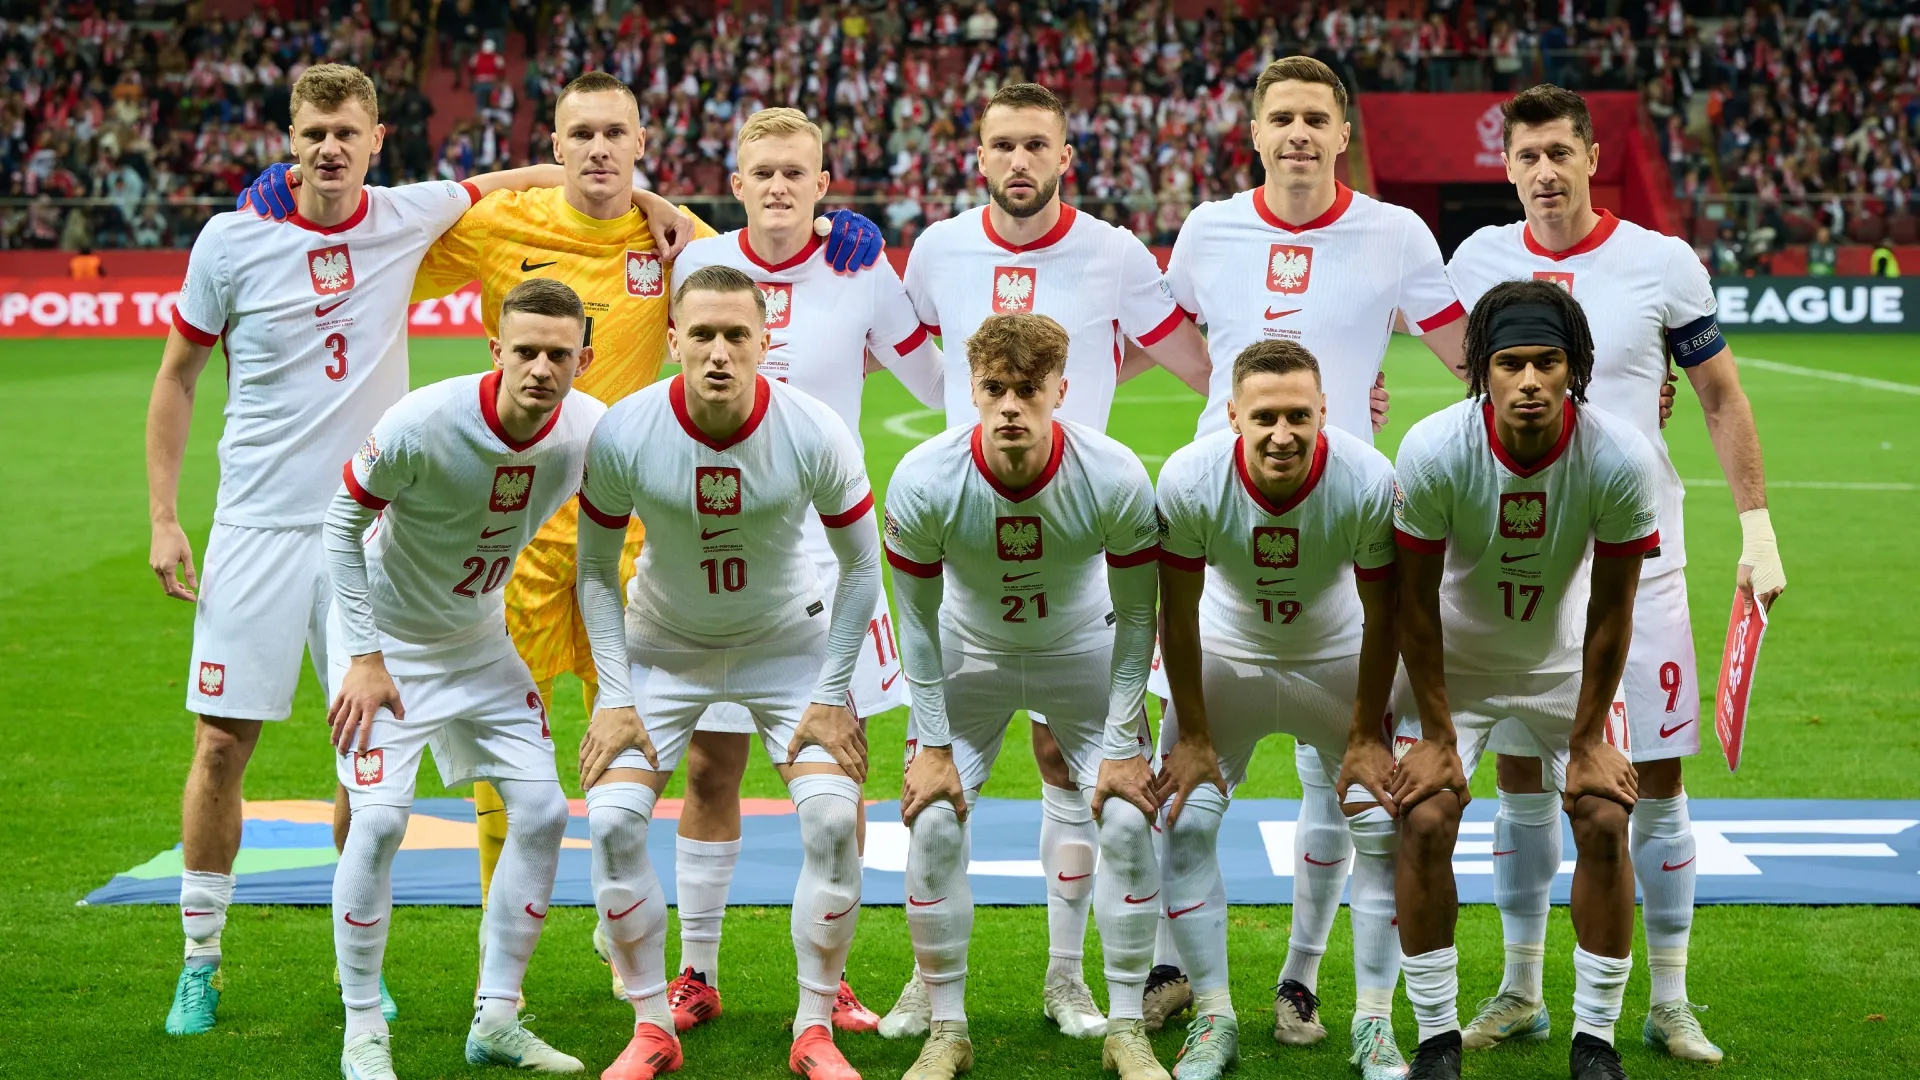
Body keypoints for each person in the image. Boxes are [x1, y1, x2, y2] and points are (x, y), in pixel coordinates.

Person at [148, 62, 627, 1037]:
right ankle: (200, 960)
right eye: (314, 130)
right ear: (291, 138)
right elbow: (177, 378)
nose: (331, 146)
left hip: (371, 536)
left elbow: (533, 177)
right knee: (219, 746)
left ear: (376, 142)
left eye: (348, 132)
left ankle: (351, 967)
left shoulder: (404, 217)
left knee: (363, 760)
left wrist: (648, 201)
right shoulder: (231, 240)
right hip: (254, 528)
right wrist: (165, 515)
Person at [1445, 84, 1784, 1064]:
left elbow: (1718, 395)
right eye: (1527, 157)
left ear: (1593, 155)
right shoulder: (1479, 264)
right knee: (1520, 778)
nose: (1545, 172)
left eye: (1561, 151)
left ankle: (1668, 999)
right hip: (1519, 560)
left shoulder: (1660, 262)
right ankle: (1519, 989)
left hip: (1646, 556)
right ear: (1505, 168)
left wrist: (1756, 526)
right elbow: (1462, 380)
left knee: (1653, 780)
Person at [1148, 54, 1465, 1047]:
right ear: (1254, 132)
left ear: (1341, 134)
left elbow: (1469, 351)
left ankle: (1301, 979)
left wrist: (1600, 381)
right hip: (1221, 512)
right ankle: (1173, 968)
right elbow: (1157, 331)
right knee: (1189, 756)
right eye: (1278, 117)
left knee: (1340, 777)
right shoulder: (1208, 228)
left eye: (1314, 119)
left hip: (1343, 512)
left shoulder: (1398, 232)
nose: (1295, 133)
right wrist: (1241, 412)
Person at [889, 81, 1212, 1042]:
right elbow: (905, 349)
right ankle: (927, 979)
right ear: (978, 156)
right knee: (934, 785)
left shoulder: (1114, 251)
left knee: (1075, 768)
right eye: (1003, 145)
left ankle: (1069, 979)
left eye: (1038, 144)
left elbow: (1190, 356)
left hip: (1079, 528)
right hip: (971, 529)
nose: (1020, 161)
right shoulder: (940, 248)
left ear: (1066, 155)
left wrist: (1270, 398)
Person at [662, 106, 943, 1033]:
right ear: (734, 184)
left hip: (830, 564)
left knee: (836, 771)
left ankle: (834, 978)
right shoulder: (699, 271)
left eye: (798, 172)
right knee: (711, 767)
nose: (779, 185)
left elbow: (942, 390)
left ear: (826, 186)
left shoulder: (863, 273)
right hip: (712, 555)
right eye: (763, 172)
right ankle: (694, 972)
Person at [573, 265, 882, 1080]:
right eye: (701, 334)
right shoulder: (625, 429)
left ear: (763, 341)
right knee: (609, 824)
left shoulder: (813, 428)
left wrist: (828, 695)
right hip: (664, 651)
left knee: (829, 819)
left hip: (788, 649)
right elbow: (596, 574)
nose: (718, 352)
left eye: (735, 335)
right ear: (672, 339)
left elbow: (862, 570)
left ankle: (813, 1026)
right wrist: (614, 697)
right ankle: (654, 1027)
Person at [1377, 279, 1663, 1080]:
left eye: (1549, 362)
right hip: (1453, 669)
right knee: (1425, 816)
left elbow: (1612, 612)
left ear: (1576, 368)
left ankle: (1596, 1040)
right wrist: (1437, 735)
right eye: (1511, 364)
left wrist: (1586, 740)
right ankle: (1436, 1037)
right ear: (1481, 371)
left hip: (1562, 668)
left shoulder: (1618, 456)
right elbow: (1414, 605)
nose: (1530, 381)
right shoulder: (1436, 449)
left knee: (1606, 817)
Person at [323, 279, 603, 1080]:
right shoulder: (423, 421)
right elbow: (339, 527)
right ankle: (364, 1027)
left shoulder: (590, 430)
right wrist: (365, 658)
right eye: (526, 351)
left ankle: (499, 1019)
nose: (542, 369)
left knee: (545, 811)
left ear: (583, 359)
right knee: (376, 826)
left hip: (480, 642)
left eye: (559, 354)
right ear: (496, 351)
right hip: (387, 644)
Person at [882, 312, 1167, 1080]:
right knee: (934, 821)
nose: (1011, 406)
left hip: (1079, 652)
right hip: (968, 655)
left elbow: (1140, 615)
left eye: (1029, 391)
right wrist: (934, 746)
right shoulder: (924, 478)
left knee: (1129, 822)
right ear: (972, 391)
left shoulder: (1111, 473)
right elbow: (914, 622)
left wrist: (1117, 747)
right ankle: (947, 1024)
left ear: (1060, 392)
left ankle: (1122, 1020)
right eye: (995, 389)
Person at [1152, 340, 1411, 1080]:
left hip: (1334, 662)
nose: (1283, 433)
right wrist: (1194, 736)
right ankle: (1212, 1015)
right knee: (1187, 819)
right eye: (1264, 416)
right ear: (1232, 415)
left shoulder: (1366, 477)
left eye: (1300, 415)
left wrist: (1367, 735)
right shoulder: (1192, 476)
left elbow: (1385, 612)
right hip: (1227, 659)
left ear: (1325, 411)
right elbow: (1176, 613)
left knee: (1379, 827)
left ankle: (1370, 1021)